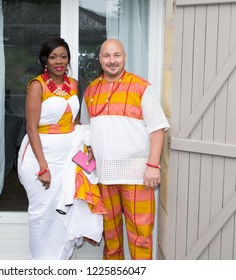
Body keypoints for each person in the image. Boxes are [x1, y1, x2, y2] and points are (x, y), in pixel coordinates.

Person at [80, 38, 170, 260]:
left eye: (116, 55)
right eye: (107, 56)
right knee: (111, 238)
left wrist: (153, 165)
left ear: (124, 57)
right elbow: (86, 130)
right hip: (104, 176)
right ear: (100, 60)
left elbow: (157, 129)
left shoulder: (142, 87)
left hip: (137, 175)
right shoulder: (91, 90)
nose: (112, 61)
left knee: (141, 235)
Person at [17, 37, 104, 260]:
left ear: (68, 60)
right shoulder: (37, 86)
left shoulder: (73, 84)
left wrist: (86, 146)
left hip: (67, 159)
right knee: (42, 214)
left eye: (63, 56)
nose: (59, 61)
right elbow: (31, 127)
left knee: (65, 213)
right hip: (41, 157)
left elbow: (74, 122)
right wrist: (43, 167)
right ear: (45, 60)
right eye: (53, 56)